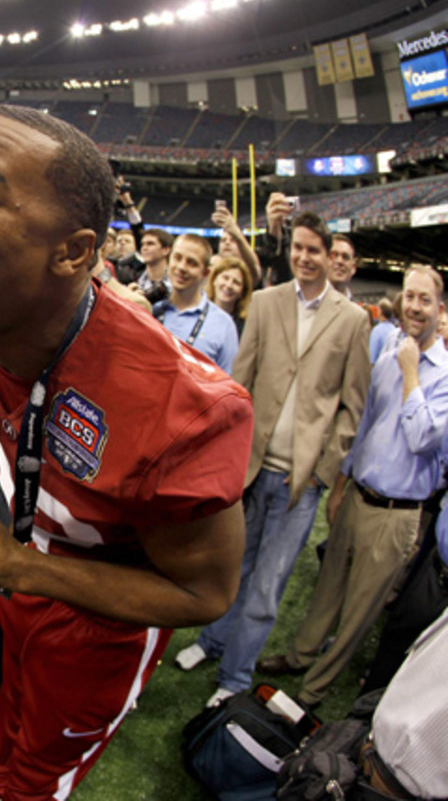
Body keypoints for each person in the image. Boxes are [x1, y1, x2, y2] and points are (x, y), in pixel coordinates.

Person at [0, 104, 253, 801]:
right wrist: (16, 563)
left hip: (104, 624)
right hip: (28, 580)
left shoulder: (178, 410)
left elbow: (205, 593)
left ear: (71, 250)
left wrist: (20, 567)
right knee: (12, 711)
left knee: (41, 775)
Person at [176, 210, 371, 707]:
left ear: (329, 256)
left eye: (314, 250)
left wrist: (323, 472)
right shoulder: (264, 302)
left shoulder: (351, 320)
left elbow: (352, 406)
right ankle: (212, 642)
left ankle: (236, 678)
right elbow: (238, 386)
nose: (304, 257)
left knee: (267, 587)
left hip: (299, 483)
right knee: (232, 567)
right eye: (298, 248)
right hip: (250, 467)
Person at [256, 265, 448, 707]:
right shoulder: (390, 353)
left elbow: (422, 438)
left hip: (397, 513)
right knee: (328, 588)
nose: (414, 306)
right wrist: (341, 482)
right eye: (410, 296)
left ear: (440, 310)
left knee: (359, 610)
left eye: (424, 299)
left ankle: (313, 690)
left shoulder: (435, 371)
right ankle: (301, 654)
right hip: (359, 495)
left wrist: (413, 374)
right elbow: (363, 426)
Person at [153, 233, 239, 374]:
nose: (181, 267)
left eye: (191, 263)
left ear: (205, 273)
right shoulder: (151, 310)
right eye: (177, 258)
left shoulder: (223, 324)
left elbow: (227, 386)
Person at [206, 255, 254, 336]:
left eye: (236, 282)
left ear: (242, 292)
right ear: (214, 280)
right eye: (225, 278)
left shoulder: (246, 329)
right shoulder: (196, 313)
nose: (229, 285)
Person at [329, 234, 357, 300]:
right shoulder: (303, 306)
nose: (339, 261)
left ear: (353, 268)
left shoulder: (360, 309)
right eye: (333, 256)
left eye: (345, 257)